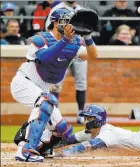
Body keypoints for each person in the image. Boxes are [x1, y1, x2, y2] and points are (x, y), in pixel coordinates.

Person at [10, 7, 97, 162]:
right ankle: (25, 150)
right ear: (55, 23)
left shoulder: (75, 41)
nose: (70, 25)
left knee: (62, 130)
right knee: (46, 103)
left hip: (43, 88)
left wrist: (88, 37)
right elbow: (46, 59)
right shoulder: (40, 39)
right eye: (66, 21)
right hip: (23, 83)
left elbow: (92, 56)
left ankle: (39, 148)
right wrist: (65, 40)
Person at [45, 1, 91, 124]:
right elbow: (49, 29)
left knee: (81, 81)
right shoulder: (57, 9)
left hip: (79, 46)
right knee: (56, 82)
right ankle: (53, 112)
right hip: (63, 47)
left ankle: (81, 112)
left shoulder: (82, 9)